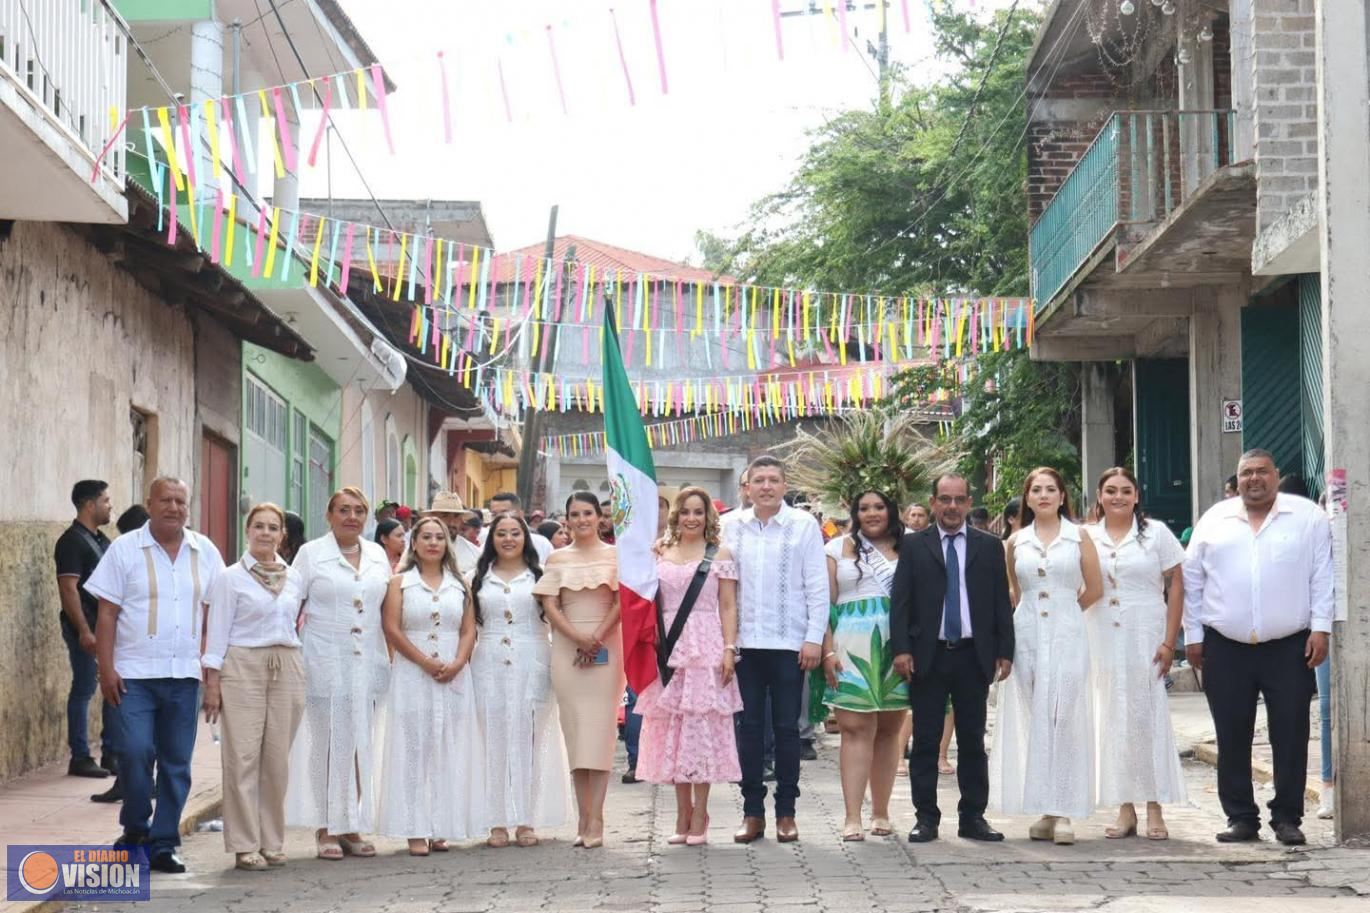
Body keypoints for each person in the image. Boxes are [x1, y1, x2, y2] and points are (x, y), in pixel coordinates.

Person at [1183, 449, 1331, 846]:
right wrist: (1192, 636)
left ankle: (1287, 817)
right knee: (1231, 733)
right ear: (1237, 479)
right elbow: (1192, 580)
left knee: (1291, 731)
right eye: (1246, 472)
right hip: (1225, 646)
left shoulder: (1307, 519)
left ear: (1275, 476)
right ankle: (1240, 818)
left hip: (1289, 646)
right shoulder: (1214, 520)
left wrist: (1321, 629)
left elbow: (1322, 576)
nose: (1254, 479)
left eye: (1261, 472)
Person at [87, 477, 226, 874]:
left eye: (181, 501)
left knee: (176, 763)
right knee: (133, 753)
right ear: (149, 504)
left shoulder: (206, 552)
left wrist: (212, 675)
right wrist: (105, 668)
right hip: (132, 676)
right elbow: (107, 613)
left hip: (184, 676)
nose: (174, 507)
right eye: (165, 500)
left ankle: (163, 842)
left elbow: (216, 614)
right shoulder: (124, 550)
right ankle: (135, 828)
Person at [891, 474, 1015, 844]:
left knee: (973, 741)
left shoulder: (989, 546)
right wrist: (901, 649)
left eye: (959, 500)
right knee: (926, 741)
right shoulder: (914, 546)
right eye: (944, 499)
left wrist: (1005, 651)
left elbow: (1000, 603)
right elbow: (901, 601)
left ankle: (973, 816)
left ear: (968, 501)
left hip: (973, 657)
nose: (952, 507)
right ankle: (925, 817)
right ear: (932, 503)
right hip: (928, 656)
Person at [991, 468, 1104, 845]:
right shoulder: (1015, 542)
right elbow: (1014, 591)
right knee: (1038, 716)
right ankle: (1046, 810)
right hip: (1027, 635)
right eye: (1036, 490)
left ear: (1061, 496)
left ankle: (1065, 809)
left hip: (1068, 632)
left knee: (1063, 716)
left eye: (1050, 489)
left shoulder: (1079, 537)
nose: (1043, 495)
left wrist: (1066, 611)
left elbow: (1095, 588)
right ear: (1026, 497)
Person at [725, 455, 827, 845]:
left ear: (785, 486)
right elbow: (723, 591)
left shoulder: (803, 526)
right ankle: (752, 811)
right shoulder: (729, 526)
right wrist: (726, 642)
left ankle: (787, 811)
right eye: (758, 480)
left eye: (773, 480)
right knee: (748, 730)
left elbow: (816, 586)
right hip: (745, 645)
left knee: (787, 730)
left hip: (789, 643)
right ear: (746, 487)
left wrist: (813, 637)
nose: (766, 486)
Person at [286, 486, 391, 861]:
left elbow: (387, 610)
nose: (352, 516)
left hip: (369, 661)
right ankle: (326, 825)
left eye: (359, 510)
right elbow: (289, 604)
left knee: (360, 740)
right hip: (324, 658)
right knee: (328, 744)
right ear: (329, 515)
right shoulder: (311, 554)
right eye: (343, 510)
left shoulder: (378, 555)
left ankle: (351, 823)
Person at [201, 503, 306, 871]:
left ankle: (272, 840)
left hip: (287, 665)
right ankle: (245, 844)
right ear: (248, 531)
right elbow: (217, 633)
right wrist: (212, 682)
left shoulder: (294, 577)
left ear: (282, 535)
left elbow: (296, 625)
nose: (265, 533)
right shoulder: (230, 578)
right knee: (242, 757)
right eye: (258, 526)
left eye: (273, 527)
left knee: (276, 760)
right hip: (242, 665)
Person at [1083, 468, 1187, 841]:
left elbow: (1176, 584)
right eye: (1110, 491)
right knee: (1112, 717)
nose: (1118, 497)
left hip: (1146, 632)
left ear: (1137, 495)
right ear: (1099, 495)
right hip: (1101, 633)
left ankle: (1154, 805)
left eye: (1125, 491)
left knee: (1146, 717)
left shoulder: (1156, 533)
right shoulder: (1086, 536)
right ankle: (1124, 807)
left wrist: (1170, 639)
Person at [635, 488, 742, 845]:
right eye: (686, 512)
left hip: (706, 645)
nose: (692, 518)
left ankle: (701, 812)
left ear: (708, 517)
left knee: (700, 729)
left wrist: (729, 649)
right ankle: (681, 812)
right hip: (667, 645)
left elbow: (728, 605)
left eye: (699, 512)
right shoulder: (658, 551)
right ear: (675, 515)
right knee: (673, 731)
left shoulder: (721, 554)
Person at [376, 517, 480, 855]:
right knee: (413, 749)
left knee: (445, 746)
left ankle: (440, 824)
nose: (433, 543)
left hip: (453, 671)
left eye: (439, 537)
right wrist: (423, 660)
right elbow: (392, 629)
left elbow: (468, 630)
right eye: (426, 537)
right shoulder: (399, 583)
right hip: (412, 672)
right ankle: (414, 827)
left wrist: (459, 661)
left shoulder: (459, 584)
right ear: (414, 543)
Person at [471, 512, 567, 848]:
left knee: (531, 742)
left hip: (533, 660)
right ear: (491, 539)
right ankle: (496, 820)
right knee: (493, 741)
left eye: (515, 533)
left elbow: (557, 619)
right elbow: (468, 627)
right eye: (501, 533)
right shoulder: (477, 578)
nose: (509, 539)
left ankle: (527, 819)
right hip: (489, 663)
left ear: (525, 538)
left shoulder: (540, 576)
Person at [533, 492, 623, 848]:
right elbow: (549, 605)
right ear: (566, 519)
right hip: (567, 650)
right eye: (575, 514)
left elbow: (621, 602)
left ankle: (597, 818)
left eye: (588, 513)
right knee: (574, 735)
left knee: (600, 737)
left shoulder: (616, 555)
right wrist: (575, 637)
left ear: (600, 517)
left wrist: (597, 637)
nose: (582, 519)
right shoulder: (557, 558)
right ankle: (581, 816)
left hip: (606, 649)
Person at [819, 489, 907, 841]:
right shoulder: (835, 549)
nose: (872, 513)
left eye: (879, 507)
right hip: (849, 643)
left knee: (889, 729)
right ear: (854, 512)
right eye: (864, 508)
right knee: (854, 729)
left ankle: (881, 812)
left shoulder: (910, 545)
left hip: (896, 644)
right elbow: (823, 605)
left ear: (891, 510)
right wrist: (827, 651)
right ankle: (852, 816)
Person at [54, 480, 118, 782]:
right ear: (89, 505)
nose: (110, 506)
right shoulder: (71, 542)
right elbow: (69, 589)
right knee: (83, 688)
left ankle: (111, 752)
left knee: (111, 688)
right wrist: (83, 630)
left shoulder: (101, 539)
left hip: (104, 628)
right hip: (85, 629)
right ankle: (80, 756)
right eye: (105, 500)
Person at [488, 492, 554, 564]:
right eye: (494, 514)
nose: (498, 518)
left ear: (520, 514)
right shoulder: (486, 544)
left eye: (504, 512)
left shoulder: (541, 544)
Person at [425, 491, 482, 574]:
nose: (451, 522)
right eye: (444, 515)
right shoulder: (418, 549)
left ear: (462, 520)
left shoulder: (474, 554)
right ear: (432, 517)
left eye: (456, 516)